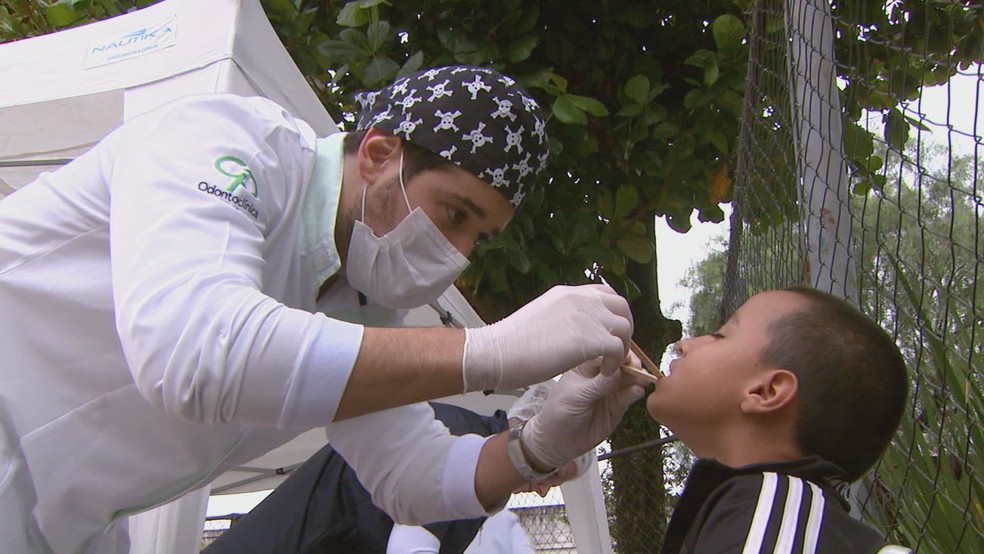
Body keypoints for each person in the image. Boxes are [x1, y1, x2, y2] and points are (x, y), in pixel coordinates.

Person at [0, 65, 644, 553]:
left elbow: (409, 477)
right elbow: (194, 351)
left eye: (479, 236)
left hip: (63, 527)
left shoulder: (362, 306)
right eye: (454, 213)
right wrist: (489, 351)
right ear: (378, 154)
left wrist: (531, 449)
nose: (459, 252)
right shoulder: (226, 141)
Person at [647, 287, 912, 553]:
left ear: (766, 392)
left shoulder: (770, 514)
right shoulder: (769, 515)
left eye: (720, 335)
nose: (683, 345)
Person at [203, 381, 590, 554]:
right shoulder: (459, 442)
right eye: (552, 468)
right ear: (531, 426)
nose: (542, 489)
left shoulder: (473, 448)